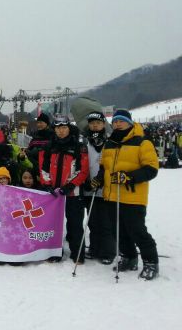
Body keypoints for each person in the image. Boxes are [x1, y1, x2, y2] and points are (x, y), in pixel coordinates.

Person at [93, 109, 160, 280]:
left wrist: (128, 177)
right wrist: (99, 179)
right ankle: (129, 257)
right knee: (118, 231)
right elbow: (104, 167)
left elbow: (151, 169)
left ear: (129, 123)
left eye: (121, 121)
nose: (117, 124)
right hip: (111, 195)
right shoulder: (109, 143)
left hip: (133, 196)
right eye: (115, 121)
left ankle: (151, 262)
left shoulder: (142, 142)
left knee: (137, 231)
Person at [38, 117, 89, 263]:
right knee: (53, 224)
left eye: (64, 128)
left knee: (75, 224)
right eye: (58, 128)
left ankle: (77, 254)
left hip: (73, 192)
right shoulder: (48, 146)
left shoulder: (79, 146)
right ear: (54, 129)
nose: (61, 131)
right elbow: (43, 167)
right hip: (54, 194)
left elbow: (83, 170)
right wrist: (47, 184)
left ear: (69, 128)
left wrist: (71, 185)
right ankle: (54, 252)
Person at [82, 111, 114, 265]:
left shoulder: (110, 141)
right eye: (92, 123)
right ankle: (94, 248)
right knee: (92, 221)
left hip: (106, 187)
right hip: (89, 187)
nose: (95, 126)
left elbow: (112, 163)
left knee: (106, 222)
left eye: (98, 123)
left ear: (103, 124)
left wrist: (102, 178)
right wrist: (86, 182)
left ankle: (108, 251)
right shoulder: (85, 141)